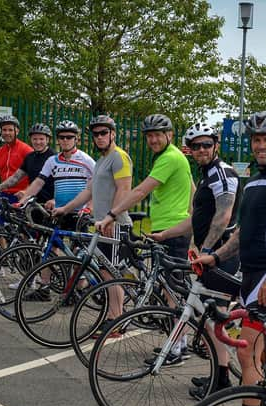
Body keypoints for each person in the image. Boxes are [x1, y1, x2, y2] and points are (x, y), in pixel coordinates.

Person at [194, 111, 266, 406]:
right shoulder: (256, 180)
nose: (261, 146)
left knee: (246, 352)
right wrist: (215, 257)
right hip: (252, 275)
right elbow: (243, 232)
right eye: (256, 140)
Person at [150, 122, 242, 397]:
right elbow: (196, 219)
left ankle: (224, 377)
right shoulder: (206, 175)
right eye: (196, 146)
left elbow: (223, 216)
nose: (201, 149)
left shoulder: (223, 174)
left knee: (214, 318)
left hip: (222, 254)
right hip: (210, 255)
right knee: (212, 317)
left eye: (206, 144)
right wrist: (165, 234)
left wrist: (207, 251)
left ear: (215, 145)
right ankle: (222, 375)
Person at [52, 115, 133, 336]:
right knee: (107, 273)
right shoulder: (100, 162)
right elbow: (88, 191)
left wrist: (111, 217)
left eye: (103, 133)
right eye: (96, 134)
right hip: (103, 224)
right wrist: (66, 208)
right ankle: (112, 316)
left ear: (113, 134)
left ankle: (117, 321)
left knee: (112, 273)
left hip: (116, 225)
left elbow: (124, 190)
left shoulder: (119, 157)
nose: (99, 137)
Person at [95, 113, 194, 259]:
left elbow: (141, 191)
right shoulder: (172, 155)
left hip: (172, 229)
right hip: (170, 229)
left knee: (171, 280)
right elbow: (192, 189)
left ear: (170, 135)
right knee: (166, 280)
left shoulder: (170, 158)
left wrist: (111, 215)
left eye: (157, 135)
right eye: (149, 136)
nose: (153, 140)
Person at [17, 120, 95, 230]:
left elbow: (99, 184)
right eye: (61, 137)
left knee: (78, 247)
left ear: (76, 139)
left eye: (69, 137)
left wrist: (90, 207)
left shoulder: (85, 159)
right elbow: (38, 183)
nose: (65, 140)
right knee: (52, 246)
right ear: (57, 139)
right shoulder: (52, 160)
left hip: (79, 213)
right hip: (58, 212)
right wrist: (22, 201)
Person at [0, 123, 55, 207]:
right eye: (34, 139)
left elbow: (62, 183)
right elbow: (15, 178)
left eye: (41, 139)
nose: (38, 142)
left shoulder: (54, 157)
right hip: (31, 203)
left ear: (47, 140)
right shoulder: (30, 157)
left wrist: (54, 199)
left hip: (49, 205)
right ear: (31, 139)